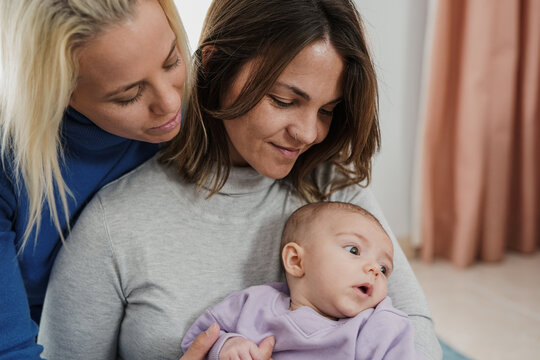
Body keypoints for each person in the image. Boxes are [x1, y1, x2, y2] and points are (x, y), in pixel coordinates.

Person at [38, 0, 442, 359]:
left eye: (327, 110)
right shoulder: (115, 224)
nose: (308, 133)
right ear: (214, 65)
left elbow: (416, 330)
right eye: (284, 101)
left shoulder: (333, 190)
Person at [0, 0, 217, 359]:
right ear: (59, 91)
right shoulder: (10, 169)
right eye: (128, 95)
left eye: (172, 60)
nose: (169, 103)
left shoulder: (204, 107)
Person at [182, 201, 426, 359]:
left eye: (384, 269)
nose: (374, 269)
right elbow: (198, 338)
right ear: (296, 261)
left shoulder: (378, 326)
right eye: (354, 250)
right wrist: (226, 346)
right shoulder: (253, 305)